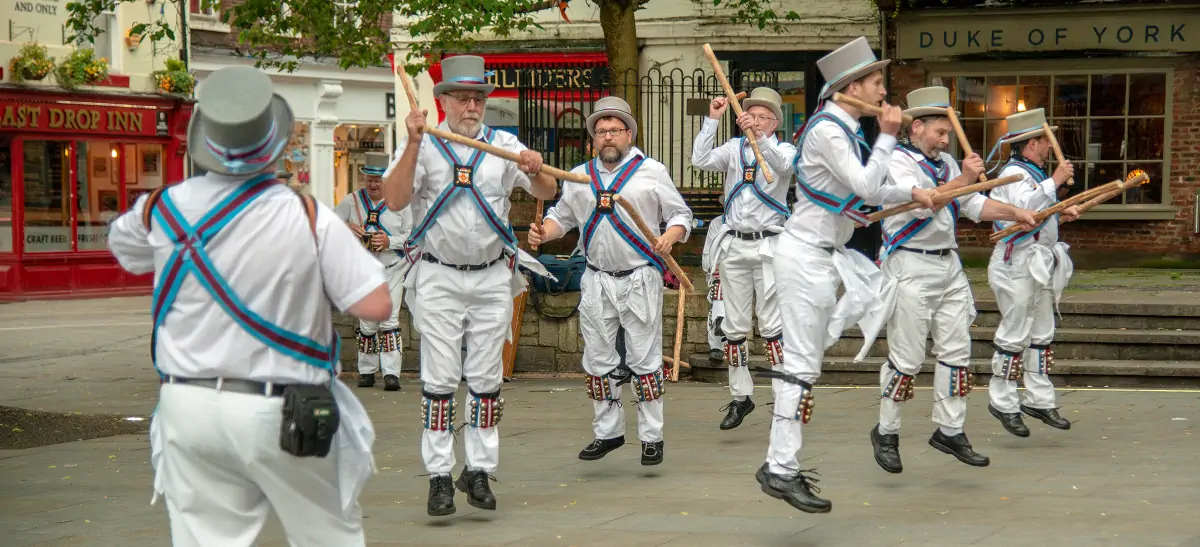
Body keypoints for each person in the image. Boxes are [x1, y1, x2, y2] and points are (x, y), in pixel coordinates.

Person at [107, 65, 390, 546]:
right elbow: (375, 305)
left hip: (187, 404)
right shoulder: (308, 215)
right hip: (285, 407)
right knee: (328, 536)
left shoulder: (161, 209)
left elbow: (127, 253)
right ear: (274, 144)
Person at [756, 36, 937, 514]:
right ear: (850, 87)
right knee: (799, 365)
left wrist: (912, 191)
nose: (883, 92)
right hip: (804, 255)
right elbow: (863, 185)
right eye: (877, 82)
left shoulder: (841, 129)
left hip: (821, 255)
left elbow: (868, 191)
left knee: (804, 365)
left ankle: (781, 465)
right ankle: (779, 467)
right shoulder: (829, 131)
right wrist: (890, 135)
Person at [382, 54, 558, 517]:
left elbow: (546, 192)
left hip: (492, 276)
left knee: (486, 380)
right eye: (462, 97)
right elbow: (396, 198)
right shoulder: (427, 145)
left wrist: (536, 167)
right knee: (439, 379)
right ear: (443, 102)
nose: (472, 105)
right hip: (438, 276)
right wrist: (413, 144)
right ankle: (439, 476)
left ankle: (479, 468)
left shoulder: (504, 145)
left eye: (478, 97)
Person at [855, 86, 1041, 474]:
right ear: (917, 127)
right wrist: (964, 180)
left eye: (948, 134)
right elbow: (923, 204)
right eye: (940, 132)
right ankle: (887, 431)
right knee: (906, 358)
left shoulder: (949, 165)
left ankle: (950, 430)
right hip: (909, 266)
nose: (945, 139)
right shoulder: (897, 160)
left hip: (948, 265)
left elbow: (974, 204)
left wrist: (1016, 212)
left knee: (957, 353)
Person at [528, 96, 693, 467]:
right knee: (598, 359)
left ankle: (652, 437)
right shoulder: (579, 176)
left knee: (644, 359)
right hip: (596, 279)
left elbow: (681, 213)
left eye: (614, 130)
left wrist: (671, 235)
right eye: (600, 131)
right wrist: (544, 234)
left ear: (629, 134)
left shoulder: (651, 170)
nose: (607, 137)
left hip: (639, 278)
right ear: (593, 139)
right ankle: (608, 432)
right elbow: (562, 217)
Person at [691, 87, 796, 430]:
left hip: (770, 247)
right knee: (733, 329)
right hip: (735, 245)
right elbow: (699, 160)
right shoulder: (733, 149)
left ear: (775, 122)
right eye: (752, 114)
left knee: (772, 327)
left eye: (764, 116)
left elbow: (781, 167)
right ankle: (740, 397)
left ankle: (784, 397)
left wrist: (760, 139)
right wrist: (713, 119)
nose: (756, 120)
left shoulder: (785, 149)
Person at [982, 107, 1081, 438]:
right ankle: (1003, 401)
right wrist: (1055, 182)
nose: (1049, 146)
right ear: (1029, 145)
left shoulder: (1034, 174)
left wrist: (1060, 214)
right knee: (1015, 332)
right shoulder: (1015, 173)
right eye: (1043, 140)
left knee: (1041, 333)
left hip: (1038, 261)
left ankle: (1039, 399)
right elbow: (1027, 211)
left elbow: (1041, 213)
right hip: (1017, 262)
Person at [335, 152, 413, 391]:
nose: (373, 184)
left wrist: (390, 242)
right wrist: (348, 226)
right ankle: (367, 371)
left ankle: (391, 374)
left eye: (377, 180)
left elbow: (413, 235)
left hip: (393, 268)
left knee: (389, 320)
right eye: (369, 178)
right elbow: (330, 224)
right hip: (364, 270)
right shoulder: (352, 201)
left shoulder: (401, 203)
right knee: (367, 322)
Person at [701, 200, 727, 365]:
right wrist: (713, 267)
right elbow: (708, 252)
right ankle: (716, 345)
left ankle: (723, 328)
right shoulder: (717, 223)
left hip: (745, 272)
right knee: (718, 290)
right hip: (720, 274)